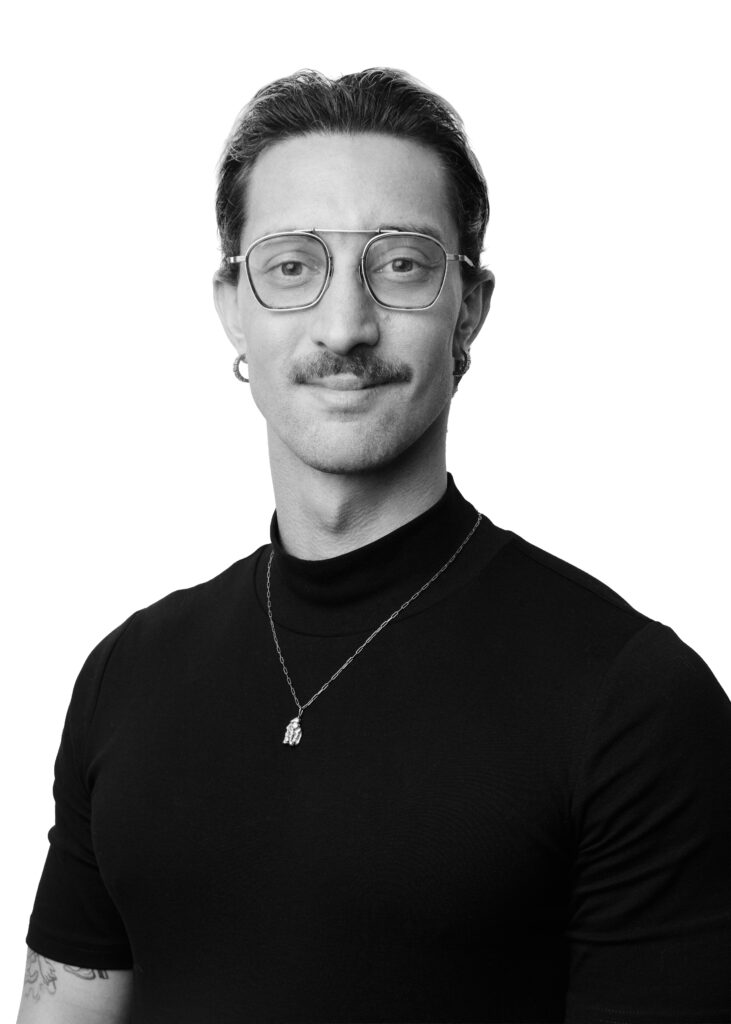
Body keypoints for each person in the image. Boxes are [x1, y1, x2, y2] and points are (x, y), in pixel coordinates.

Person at [17, 68, 731, 1024]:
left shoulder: (633, 701)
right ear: (231, 305)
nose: (345, 327)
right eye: (291, 266)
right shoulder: (125, 673)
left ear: (468, 308)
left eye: (399, 265)